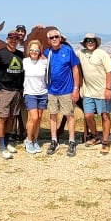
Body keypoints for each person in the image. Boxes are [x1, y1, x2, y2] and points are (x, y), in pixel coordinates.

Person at [42, 27, 81, 156]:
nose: (54, 39)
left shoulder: (68, 51)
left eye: (56, 37)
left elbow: (75, 70)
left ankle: (71, 141)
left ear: (60, 38)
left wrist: (76, 89)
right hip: (52, 90)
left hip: (67, 90)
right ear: (48, 40)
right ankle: (54, 140)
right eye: (51, 37)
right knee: (53, 115)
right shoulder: (47, 53)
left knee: (69, 115)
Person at [0, 31, 25, 160]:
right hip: (3, 90)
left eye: (16, 39)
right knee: (2, 117)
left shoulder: (21, 55)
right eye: (11, 38)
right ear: (7, 39)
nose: (13, 41)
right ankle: (1, 146)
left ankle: (7, 142)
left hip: (17, 91)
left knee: (11, 118)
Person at [78, 33, 111, 154]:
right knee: (88, 115)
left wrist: (108, 89)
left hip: (102, 91)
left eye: (92, 40)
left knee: (105, 115)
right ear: (84, 42)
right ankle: (95, 136)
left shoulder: (102, 53)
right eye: (87, 40)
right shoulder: (81, 53)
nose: (90, 42)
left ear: (96, 42)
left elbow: (109, 72)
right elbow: (67, 51)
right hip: (88, 91)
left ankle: (105, 141)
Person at [21, 39, 48, 154]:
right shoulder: (25, 62)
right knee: (34, 117)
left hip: (42, 93)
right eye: (32, 50)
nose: (34, 52)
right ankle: (28, 140)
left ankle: (35, 140)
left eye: (36, 50)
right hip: (30, 93)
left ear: (40, 51)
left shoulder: (44, 62)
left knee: (39, 118)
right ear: (28, 50)